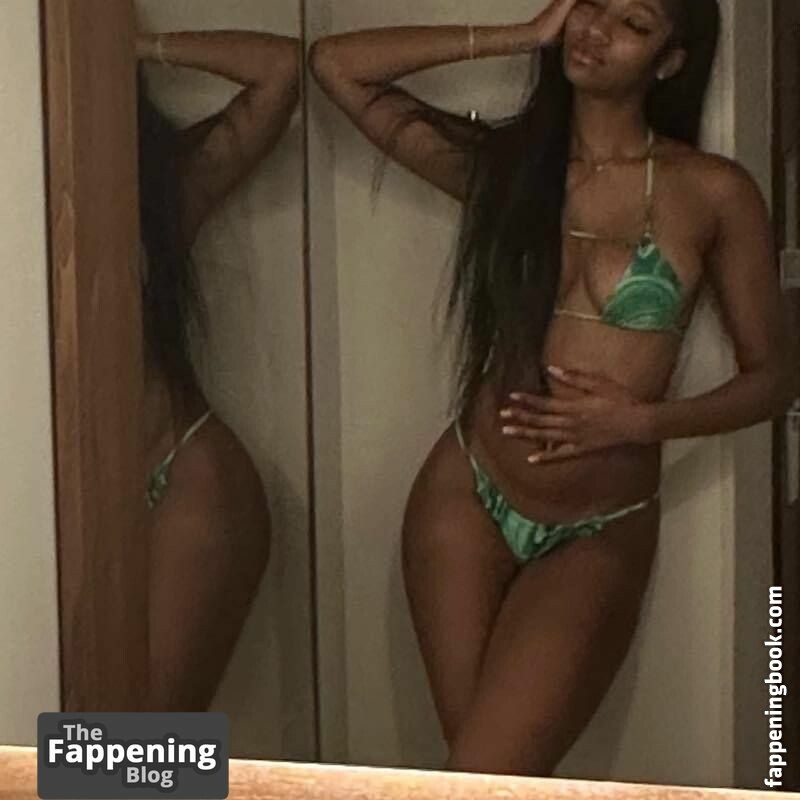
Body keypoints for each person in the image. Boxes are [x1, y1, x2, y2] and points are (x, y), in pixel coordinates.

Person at [308, 0, 796, 777]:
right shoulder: (506, 166)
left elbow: (773, 378)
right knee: (483, 779)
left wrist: (639, 422)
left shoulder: (711, 190)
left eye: (633, 23)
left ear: (670, 60)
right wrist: (522, 35)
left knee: (487, 773)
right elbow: (337, 68)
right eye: (590, 4)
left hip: (597, 524)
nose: (597, 29)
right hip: (467, 493)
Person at [136, 27, 300, 711]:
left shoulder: (157, 186)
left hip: (179, 474)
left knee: (139, 752)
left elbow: (279, 71)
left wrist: (125, 48)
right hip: (64, 505)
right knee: (76, 740)